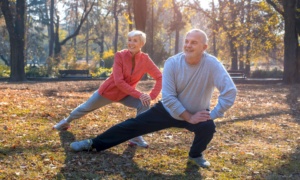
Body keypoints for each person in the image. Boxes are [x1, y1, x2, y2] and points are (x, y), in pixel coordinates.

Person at [69, 29, 237, 167]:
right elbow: (169, 97)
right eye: (186, 41)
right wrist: (188, 117)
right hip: (168, 110)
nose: (188, 45)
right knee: (132, 126)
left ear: (204, 47)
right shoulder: (173, 63)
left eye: (194, 42)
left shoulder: (212, 64)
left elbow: (229, 91)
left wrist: (212, 115)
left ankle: (195, 155)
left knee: (208, 128)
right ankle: (93, 143)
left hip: (197, 113)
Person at [53, 30, 162, 148]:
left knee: (144, 102)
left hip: (125, 94)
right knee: (86, 107)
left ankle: (135, 136)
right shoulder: (120, 55)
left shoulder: (145, 59)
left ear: (142, 44)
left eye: (135, 41)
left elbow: (160, 77)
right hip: (108, 92)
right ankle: (66, 121)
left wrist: (151, 96)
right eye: (129, 40)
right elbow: (119, 82)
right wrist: (139, 94)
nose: (131, 43)